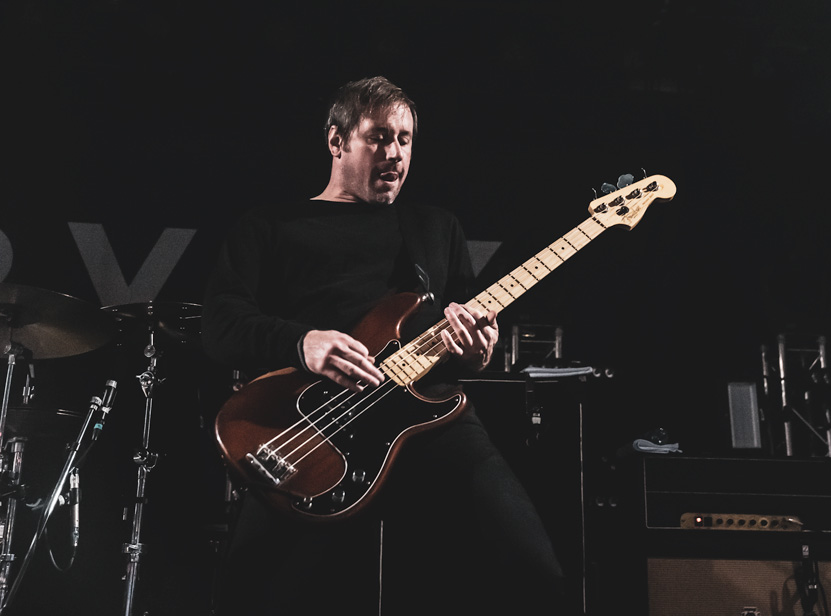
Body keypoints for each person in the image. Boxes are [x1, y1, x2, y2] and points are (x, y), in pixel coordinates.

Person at [201, 76, 568, 616]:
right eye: (378, 137)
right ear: (337, 140)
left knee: (533, 570)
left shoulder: (435, 228)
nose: (394, 152)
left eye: (405, 139)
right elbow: (220, 326)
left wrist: (477, 348)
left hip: (428, 421)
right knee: (255, 595)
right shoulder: (271, 227)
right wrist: (302, 342)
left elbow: (468, 344)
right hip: (313, 428)